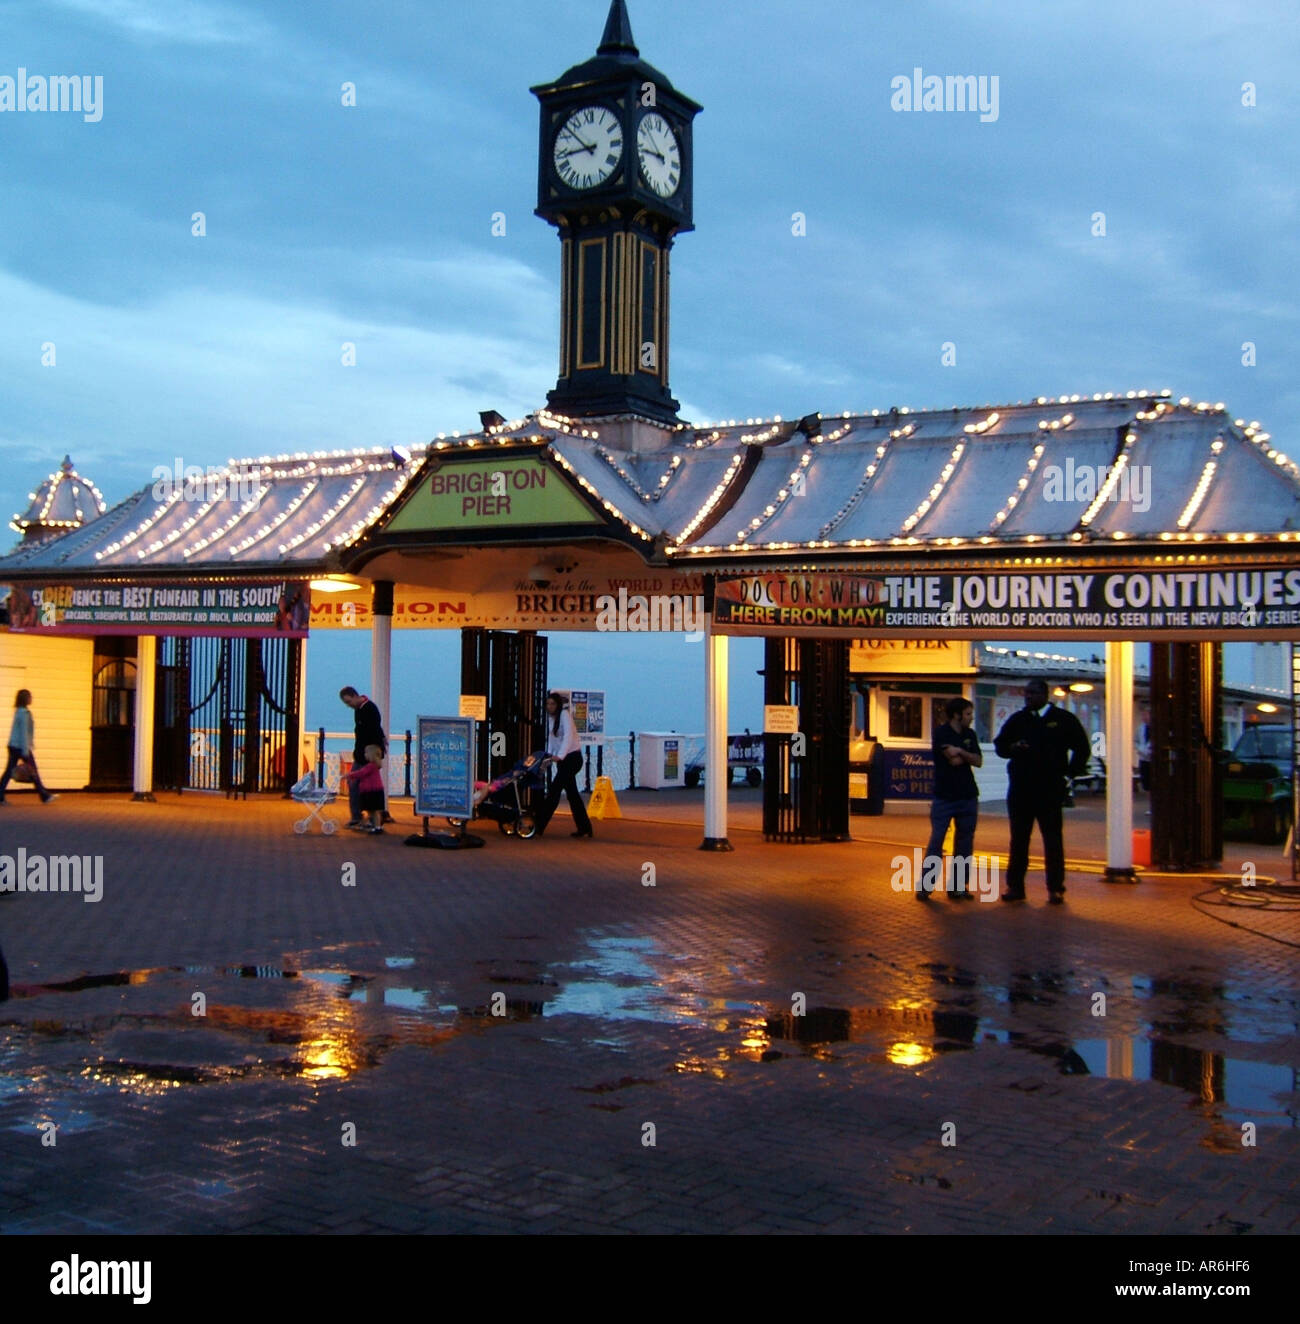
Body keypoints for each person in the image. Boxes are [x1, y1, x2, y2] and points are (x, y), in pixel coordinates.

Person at [993, 679, 1091, 904]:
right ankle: (1015, 887)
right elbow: (1000, 745)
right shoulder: (1019, 719)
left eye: (1033, 693)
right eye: (1026, 693)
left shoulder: (1063, 720)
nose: (1028, 697)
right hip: (1021, 790)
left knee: (1053, 840)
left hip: (1049, 790)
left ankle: (1056, 888)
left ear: (1045, 695)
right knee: (1018, 840)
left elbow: (1081, 748)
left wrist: (1069, 775)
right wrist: (1012, 748)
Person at [919, 697, 982, 901]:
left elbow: (978, 760)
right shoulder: (941, 732)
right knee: (937, 841)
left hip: (968, 796)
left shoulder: (970, 734)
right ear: (957, 715)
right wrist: (965, 756)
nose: (971, 718)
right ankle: (926, 886)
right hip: (945, 796)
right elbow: (952, 761)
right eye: (968, 714)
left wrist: (962, 752)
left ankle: (957, 886)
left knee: (965, 843)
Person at [535, 691, 593, 838]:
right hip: (563, 761)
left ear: (558, 705)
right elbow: (552, 738)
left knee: (554, 791)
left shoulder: (564, 716)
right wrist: (548, 755)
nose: (550, 706)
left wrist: (559, 756)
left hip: (572, 758)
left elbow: (568, 737)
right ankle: (585, 827)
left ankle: (539, 826)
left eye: (552, 704)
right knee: (572, 795)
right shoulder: (551, 718)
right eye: (548, 704)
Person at [339, 686, 386, 828]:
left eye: (349, 702)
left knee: (358, 785)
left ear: (354, 696)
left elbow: (374, 730)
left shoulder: (369, 709)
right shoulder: (358, 710)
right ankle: (362, 817)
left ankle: (362, 817)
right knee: (358, 786)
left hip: (368, 754)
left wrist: (374, 752)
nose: (349, 706)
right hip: (361, 753)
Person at [0, 690, 58, 805]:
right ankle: (44, 795)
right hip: (20, 746)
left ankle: (0, 795)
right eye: (30, 696)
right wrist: (26, 750)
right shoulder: (24, 713)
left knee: (9, 771)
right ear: (25, 699)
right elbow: (23, 732)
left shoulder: (19, 712)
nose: (31, 698)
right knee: (32, 770)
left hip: (14, 745)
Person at [341, 744, 387, 834]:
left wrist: (349, 775)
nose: (365, 755)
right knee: (371, 810)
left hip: (372, 792)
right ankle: (374, 825)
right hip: (371, 791)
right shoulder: (373, 766)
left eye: (366, 753)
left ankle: (377, 827)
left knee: (374, 810)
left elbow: (361, 773)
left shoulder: (371, 766)